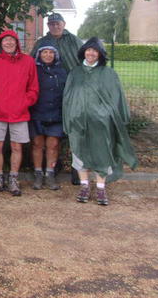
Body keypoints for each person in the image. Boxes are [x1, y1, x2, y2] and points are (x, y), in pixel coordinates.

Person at [62, 37, 138, 205]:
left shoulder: (108, 74)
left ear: (100, 54)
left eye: (95, 51)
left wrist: (108, 115)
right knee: (79, 153)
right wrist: (69, 118)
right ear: (83, 52)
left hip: (101, 124)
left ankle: (101, 188)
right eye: (88, 50)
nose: (91, 53)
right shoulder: (75, 73)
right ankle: (84, 186)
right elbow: (67, 98)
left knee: (101, 153)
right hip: (78, 122)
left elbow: (117, 98)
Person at [0, 29, 39, 196]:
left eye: (11, 40)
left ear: (17, 43)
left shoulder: (27, 61)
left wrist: (25, 102)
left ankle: (14, 178)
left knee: (16, 146)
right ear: (0, 44)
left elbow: (33, 87)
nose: (8, 43)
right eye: (5, 41)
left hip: (19, 112)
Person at [31, 12, 84, 185]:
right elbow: (31, 64)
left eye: (57, 23)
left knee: (68, 135)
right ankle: (45, 171)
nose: (55, 26)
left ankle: (75, 171)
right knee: (39, 142)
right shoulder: (42, 42)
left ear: (64, 23)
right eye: (51, 24)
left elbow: (85, 60)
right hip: (44, 95)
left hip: (72, 89)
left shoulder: (74, 40)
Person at [29, 46, 67, 191]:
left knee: (53, 145)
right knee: (37, 145)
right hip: (37, 112)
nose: (48, 55)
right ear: (39, 54)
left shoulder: (62, 71)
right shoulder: (34, 69)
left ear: (56, 55)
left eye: (51, 52)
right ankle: (38, 174)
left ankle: (50, 174)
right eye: (45, 52)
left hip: (56, 113)